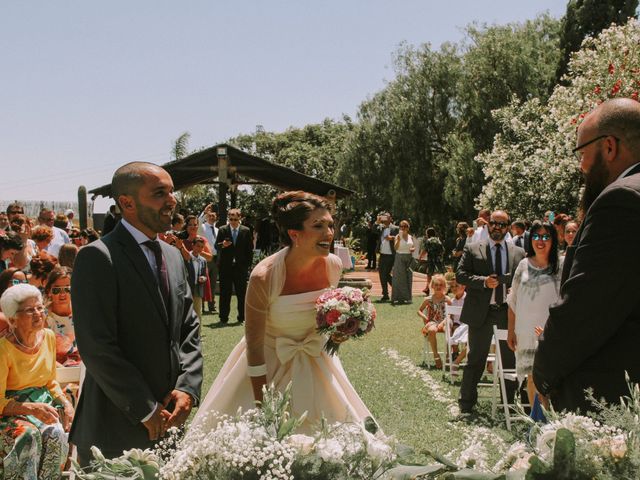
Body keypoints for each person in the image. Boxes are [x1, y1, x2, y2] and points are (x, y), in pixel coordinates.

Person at [191, 191, 372, 434]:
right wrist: (263, 407)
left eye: (330, 225)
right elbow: (254, 347)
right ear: (294, 234)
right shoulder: (264, 276)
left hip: (318, 365)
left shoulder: (333, 265)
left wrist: (342, 327)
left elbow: (322, 319)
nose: (328, 234)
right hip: (267, 366)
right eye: (318, 226)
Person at [70, 161, 203, 462]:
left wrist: (188, 389)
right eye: (160, 193)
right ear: (127, 202)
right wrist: (145, 408)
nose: (172, 201)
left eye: (172, 192)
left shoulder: (172, 255)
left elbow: (189, 329)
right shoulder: (97, 257)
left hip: (170, 420)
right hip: (115, 428)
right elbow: (97, 346)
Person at [534, 98, 640, 413]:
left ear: (609, 147)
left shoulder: (621, 201)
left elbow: (585, 309)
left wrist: (543, 375)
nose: (581, 166)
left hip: (610, 401)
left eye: (582, 152)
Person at [456, 210, 526, 414]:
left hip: (507, 312)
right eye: (494, 223)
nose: (497, 227)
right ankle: (466, 403)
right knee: (476, 358)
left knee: (509, 359)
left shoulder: (518, 253)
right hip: (481, 312)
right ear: (488, 225)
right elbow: (460, 275)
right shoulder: (473, 248)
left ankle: (508, 404)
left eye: (502, 225)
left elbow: (524, 280)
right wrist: (483, 282)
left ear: (508, 228)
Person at [0, 284, 73, 479]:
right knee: (28, 435)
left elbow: (50, 382)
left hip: (42, 405)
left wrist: (65, 402)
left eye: (40, 307)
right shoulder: (3, 350)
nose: (38, 314)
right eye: (30, 310)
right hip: (9, 412)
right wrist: (30, 409)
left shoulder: (48, 337)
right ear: (13, 320)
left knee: (56, 432)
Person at [506, 221, 562, 408]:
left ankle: (551, 425)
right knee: (531, 378)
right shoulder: (523, 265)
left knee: (550, 380)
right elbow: (512, 301)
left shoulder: (560, 266)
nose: (540, 241)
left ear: (553, 240)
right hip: (525, 333)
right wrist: (510, 331)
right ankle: (536, 425)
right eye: (536, 236)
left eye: (546, 237)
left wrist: (552, 330)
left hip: (550, 333)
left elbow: (565, 300)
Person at [216, 208, 253, 324]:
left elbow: (249, 250)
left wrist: (247, 266)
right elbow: (216, 246)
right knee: (224, 293)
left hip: (240, 267)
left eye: (235, 219)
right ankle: (223, 318)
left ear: (240, 218)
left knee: (241, 294)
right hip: (225, 267)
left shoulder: (246, 231)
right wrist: (223, 245)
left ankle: (242, 317)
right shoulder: (222, 230)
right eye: (231, 219)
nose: (232, 221)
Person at [45, 266, 80, 366]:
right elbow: (42, 353)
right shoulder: (43, 318)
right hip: (56, 370)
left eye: (67, 289)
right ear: (49, 291)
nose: (62, 294)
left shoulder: (82, 313)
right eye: (56, 290)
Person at [418, 274, 452, 368]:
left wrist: (443, 322)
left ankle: (448, 354)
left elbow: (451, 313)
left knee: (449, 329)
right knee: (432, 330)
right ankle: (436, 356)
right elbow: (419, 310)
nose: (438, 287)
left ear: (444, 287)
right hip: (433, 321)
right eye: (436, 285)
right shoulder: (428, 299)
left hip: (445, 321)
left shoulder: (447, 299)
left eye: (441, 285)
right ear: (432, 286)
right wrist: (424, 316)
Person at [198, 203, 219, 313]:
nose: (212, 217)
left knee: (213, 283)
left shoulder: (217, 230)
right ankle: (201, 307)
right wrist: (204, 212)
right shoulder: (202, 227)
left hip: (215, 259)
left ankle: (212, 306)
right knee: (202, 282)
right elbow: (198, 222)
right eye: (210, 215)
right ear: (207, 217)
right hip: (204, 259)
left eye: (213, 216)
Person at [185, 236, 208, 320]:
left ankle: (198, 333)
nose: (200, 248)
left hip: (198, 290)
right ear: (193, 245)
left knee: (198, 313)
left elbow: (204, 275)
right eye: (198, 246)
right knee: (186, 313)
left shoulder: (203, 260)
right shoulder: (186, 257)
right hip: (186, 290)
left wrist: (203, 278)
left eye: (202, 247)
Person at [391, 220, 415, 305]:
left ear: (408, 228)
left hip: (409, 257)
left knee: (409, 277)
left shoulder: (410, 237)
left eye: (405, 226)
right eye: (401, 226)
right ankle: (397, 298)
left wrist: (413, 249)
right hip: (400, 257)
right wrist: (398, 239)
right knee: (399, 278)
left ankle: (408, 298)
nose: (403, 228)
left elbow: (413, 247)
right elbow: (396, 248)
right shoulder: (397, 236)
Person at [376, 213, 398, 302]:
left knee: (385, 273)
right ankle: (385, 294)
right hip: (382, 254)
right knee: (382, 274)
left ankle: (396, 289)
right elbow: (373, 230)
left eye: (386, 216)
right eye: (383, 216)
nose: (385, 218)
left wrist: (392, 238)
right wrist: (377, 222)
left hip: (391, 254)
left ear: (390, 218)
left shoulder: (395, 228)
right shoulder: (380, 227)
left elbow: (400, 237)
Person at [422, 227, 445, 295]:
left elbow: (425, 250)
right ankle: (445, 287)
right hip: (438, 259)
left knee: (429, 274)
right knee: (441, 273)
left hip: (431, 259)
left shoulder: (428, 240)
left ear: (428, 234)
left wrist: (420, 257)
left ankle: (427, 288)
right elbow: (443, 250)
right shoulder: (438, 240)